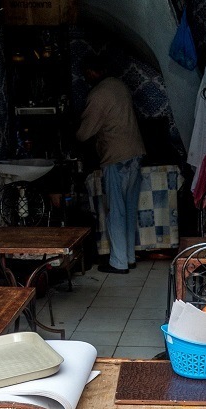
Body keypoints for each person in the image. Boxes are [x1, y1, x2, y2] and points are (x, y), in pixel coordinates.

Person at [76, 54, 147, 275]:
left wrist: (73, 134)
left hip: (116, 158)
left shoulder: (98, 95)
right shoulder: (119, 85)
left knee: (116, 212)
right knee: (128, 210)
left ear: (91, 72)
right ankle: (129, 258)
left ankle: (118, 262)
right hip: (136, 153)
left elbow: (84, 133)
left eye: (86, 73)